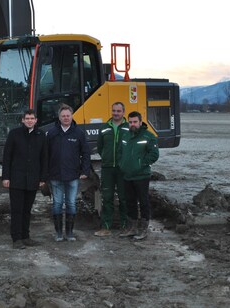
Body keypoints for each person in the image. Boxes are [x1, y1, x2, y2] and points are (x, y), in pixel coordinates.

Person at [2, 109, 48, 249]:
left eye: (32, 118)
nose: (29, 120)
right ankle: (16, 239)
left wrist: (42, 178)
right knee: (17, 210)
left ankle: (25, 236)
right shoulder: (14, 134)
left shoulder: (41, 135)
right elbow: (7, 157)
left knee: (27, 210)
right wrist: (6, 177)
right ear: (22, 120)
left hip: (32, 179)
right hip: (16, 179)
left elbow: (44, 158)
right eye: (27, 118)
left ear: (36, 120)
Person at [46, 104, 91, 241]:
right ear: (59, 117)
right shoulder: (52, 133)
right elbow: (45, 154)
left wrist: (85, 170)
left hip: (72, 175)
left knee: (71, 203)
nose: (66, 118)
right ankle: (59, 233)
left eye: (68, 115)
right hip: (55, 175)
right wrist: (45, 173)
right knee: (57, 204)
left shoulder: (79, 133)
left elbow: (86, 153)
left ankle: (70, 233)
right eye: (63, 116)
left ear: (72, 116)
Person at [118, 111, 160, 240]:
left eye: (135, 122)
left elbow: (154, 154)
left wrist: (141, 163)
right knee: (129, 202)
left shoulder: (148, 136)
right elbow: (120, 151)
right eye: (130, 122)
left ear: (140, 122)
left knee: (143, 202)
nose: (133, 124)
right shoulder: (125, 135)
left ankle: (143, 228)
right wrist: (122, 164)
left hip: (141, 176)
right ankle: (132, 227)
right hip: (127, 175)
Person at [94, 102, 129, 237]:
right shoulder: (104, 128)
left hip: (123, 169)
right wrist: (107, 158)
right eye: (114, 111)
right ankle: (106, 227)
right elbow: (100, 147)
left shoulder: (128, 128)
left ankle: (125, 226)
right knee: (107, 198)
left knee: (123, 198)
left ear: (123, 112)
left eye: (118, 111)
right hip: (108, 168)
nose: (116, 113)